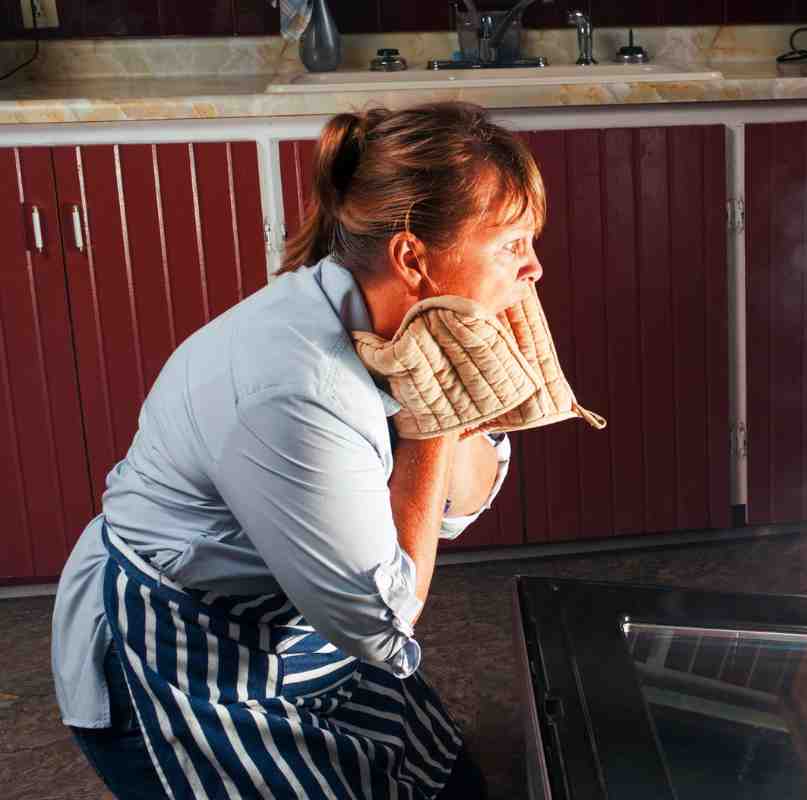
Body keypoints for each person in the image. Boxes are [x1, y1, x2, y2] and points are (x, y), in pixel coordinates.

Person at [51, 101, 547, 800]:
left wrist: (453, 408)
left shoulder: (406, 333)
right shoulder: (298, 387)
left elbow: (453, 510)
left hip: (300, 617)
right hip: (182, 655)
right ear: (412, 257)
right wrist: (433, 424)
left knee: (453, 788)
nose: (533, 270)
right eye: (510, 245)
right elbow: (383, 623)